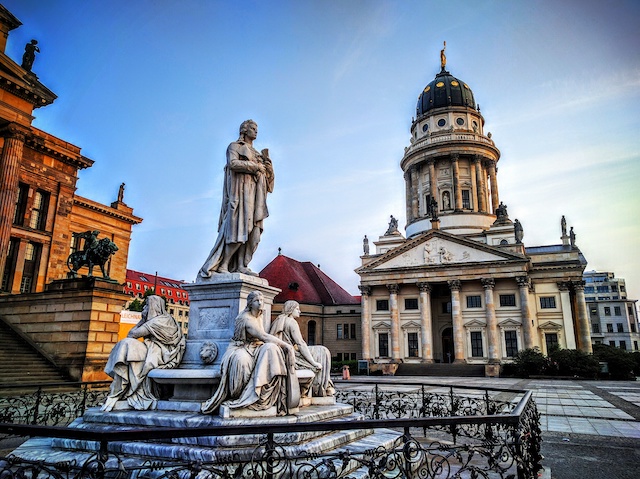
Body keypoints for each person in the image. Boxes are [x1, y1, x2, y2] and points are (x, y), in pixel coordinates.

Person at [201, 291, 299, 415]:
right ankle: (242, 396)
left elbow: (262, 338)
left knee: (272, 349)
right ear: (250, 304)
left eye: (262, 300)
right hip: (240, 347)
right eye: (257, 301)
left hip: (255, 346)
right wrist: (286, 345)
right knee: (241, 361)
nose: (260, 303)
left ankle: (264, 395)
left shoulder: (259, 315)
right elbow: (263, 335)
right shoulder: (245, 318)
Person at [199, 120, 274, 278]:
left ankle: (241, 264)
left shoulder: (258, 154)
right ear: (245, 131)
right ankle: (224, 264)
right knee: (239, 229)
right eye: (253, 128)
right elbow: (232, 164)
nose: (256, 131)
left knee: (253, 232)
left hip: (255, 195)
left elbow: (268, 181)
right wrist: (255, 167)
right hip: (240, 193)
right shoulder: (235, 146)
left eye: (257, 129)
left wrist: (268, 167)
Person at [101, 296, 185, 412]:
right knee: (127, 346)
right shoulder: (165, 318)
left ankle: (121, 389)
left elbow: (132, 334)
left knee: (127, 344)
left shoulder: (157, 322)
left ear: (152, 307)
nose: (144, 308)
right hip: (155, 350)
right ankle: (123, 389)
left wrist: (142, 320)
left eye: (146, 305)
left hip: (160, 353)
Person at [269, 300, 335, 397]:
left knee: (321, 350)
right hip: (291, 354)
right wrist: (313, 362)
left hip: (283, 352)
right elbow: (301, 343)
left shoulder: (278, 320)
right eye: (297, 309)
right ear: (291, 310)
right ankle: (321, 388)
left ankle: (324, 386)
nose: (299, 311)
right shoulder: (292, 322)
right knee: (322, 352)